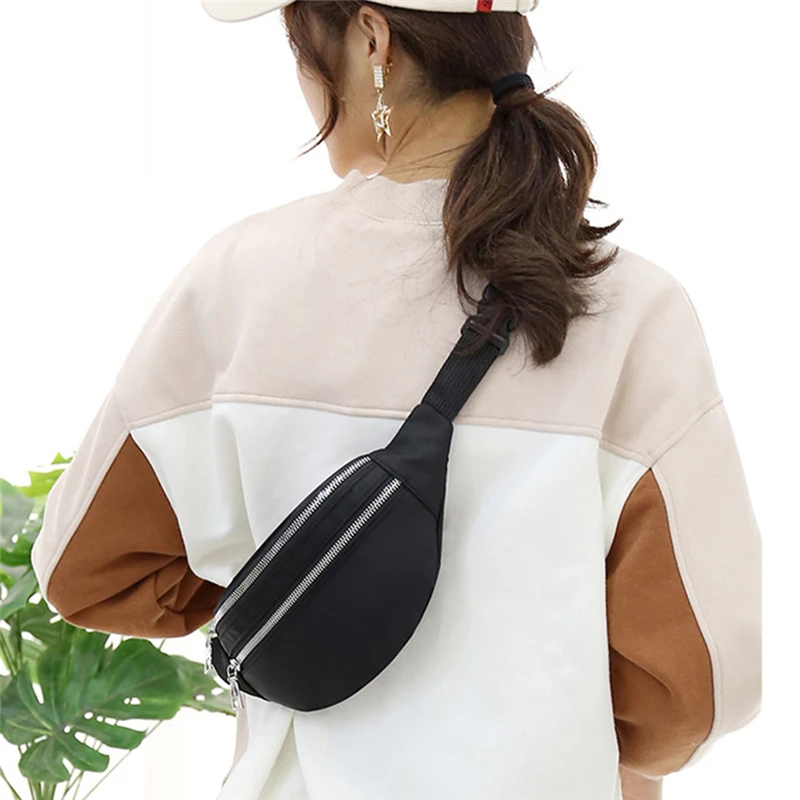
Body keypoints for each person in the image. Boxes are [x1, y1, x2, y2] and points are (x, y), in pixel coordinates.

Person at [29, 2, 762, 799]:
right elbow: (692, 694)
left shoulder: (238, 281)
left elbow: (83, 568)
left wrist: (297, 569)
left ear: (373, 39)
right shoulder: (636, 311)